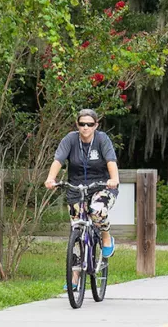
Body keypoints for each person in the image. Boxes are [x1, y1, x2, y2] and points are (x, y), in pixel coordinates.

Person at [44, 109, 120, 259]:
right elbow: (58, 160)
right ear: (77, 124)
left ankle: (106, 237)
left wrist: (114, 179)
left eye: (90, 124)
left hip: (101, 186)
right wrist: (51, 179)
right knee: (77, 229)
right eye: (82, 124)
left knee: (97, 211)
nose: (86, 127)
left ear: (96, 125)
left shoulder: (101, 139)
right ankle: (73, 280)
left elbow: (111, 161)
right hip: (76, 188)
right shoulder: (70, 139)